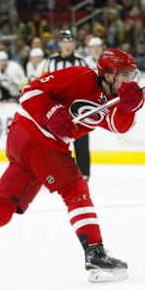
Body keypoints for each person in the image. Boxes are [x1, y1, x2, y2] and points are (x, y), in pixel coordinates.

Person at [0, 48, 145, 283]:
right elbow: (30, 91)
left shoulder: (113, 98)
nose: (129, 80)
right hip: (35, 133)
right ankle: (95, 254)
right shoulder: (80, 76)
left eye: (131, 75)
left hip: (32, 144)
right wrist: (51, 111)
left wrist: (128, 106)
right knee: (75, 189)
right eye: (125, 74)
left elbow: (118, 126)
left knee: (1, 209)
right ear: (108, 73)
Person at [43, 30, 91, 180]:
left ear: (74, 44)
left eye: (70, 41)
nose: (67, 45)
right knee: (53, 142)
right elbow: (44, 82)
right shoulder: (51, 62)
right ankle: (54, 172)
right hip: (57, 107)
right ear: (59, 44)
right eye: (64, 41)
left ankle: (84, 173)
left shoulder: (81, 61)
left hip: (77, 107)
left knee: (81, 139)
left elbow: (89, 82)